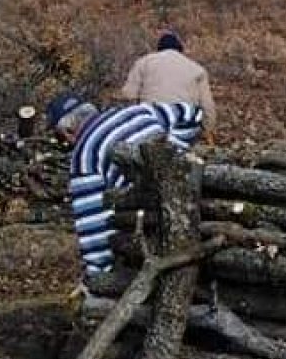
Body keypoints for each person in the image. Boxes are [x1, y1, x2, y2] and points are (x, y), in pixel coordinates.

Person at [45, 93, 205, 276]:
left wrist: (98, 274)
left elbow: (94, 225)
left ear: (68, 132)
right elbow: (193, 114)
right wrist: (177, 147)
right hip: (197, 190)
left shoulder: (84, 157)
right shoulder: (137, 112)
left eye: (60, 138)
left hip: (157, 217)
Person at [121, 30, 218, 128]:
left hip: (152, 122)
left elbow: (129, 95)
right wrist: (208, 128)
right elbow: (207, 105)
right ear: (180, 49)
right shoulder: (197, 69)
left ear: (159, 49)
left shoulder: (144, 62)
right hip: (183, 124)